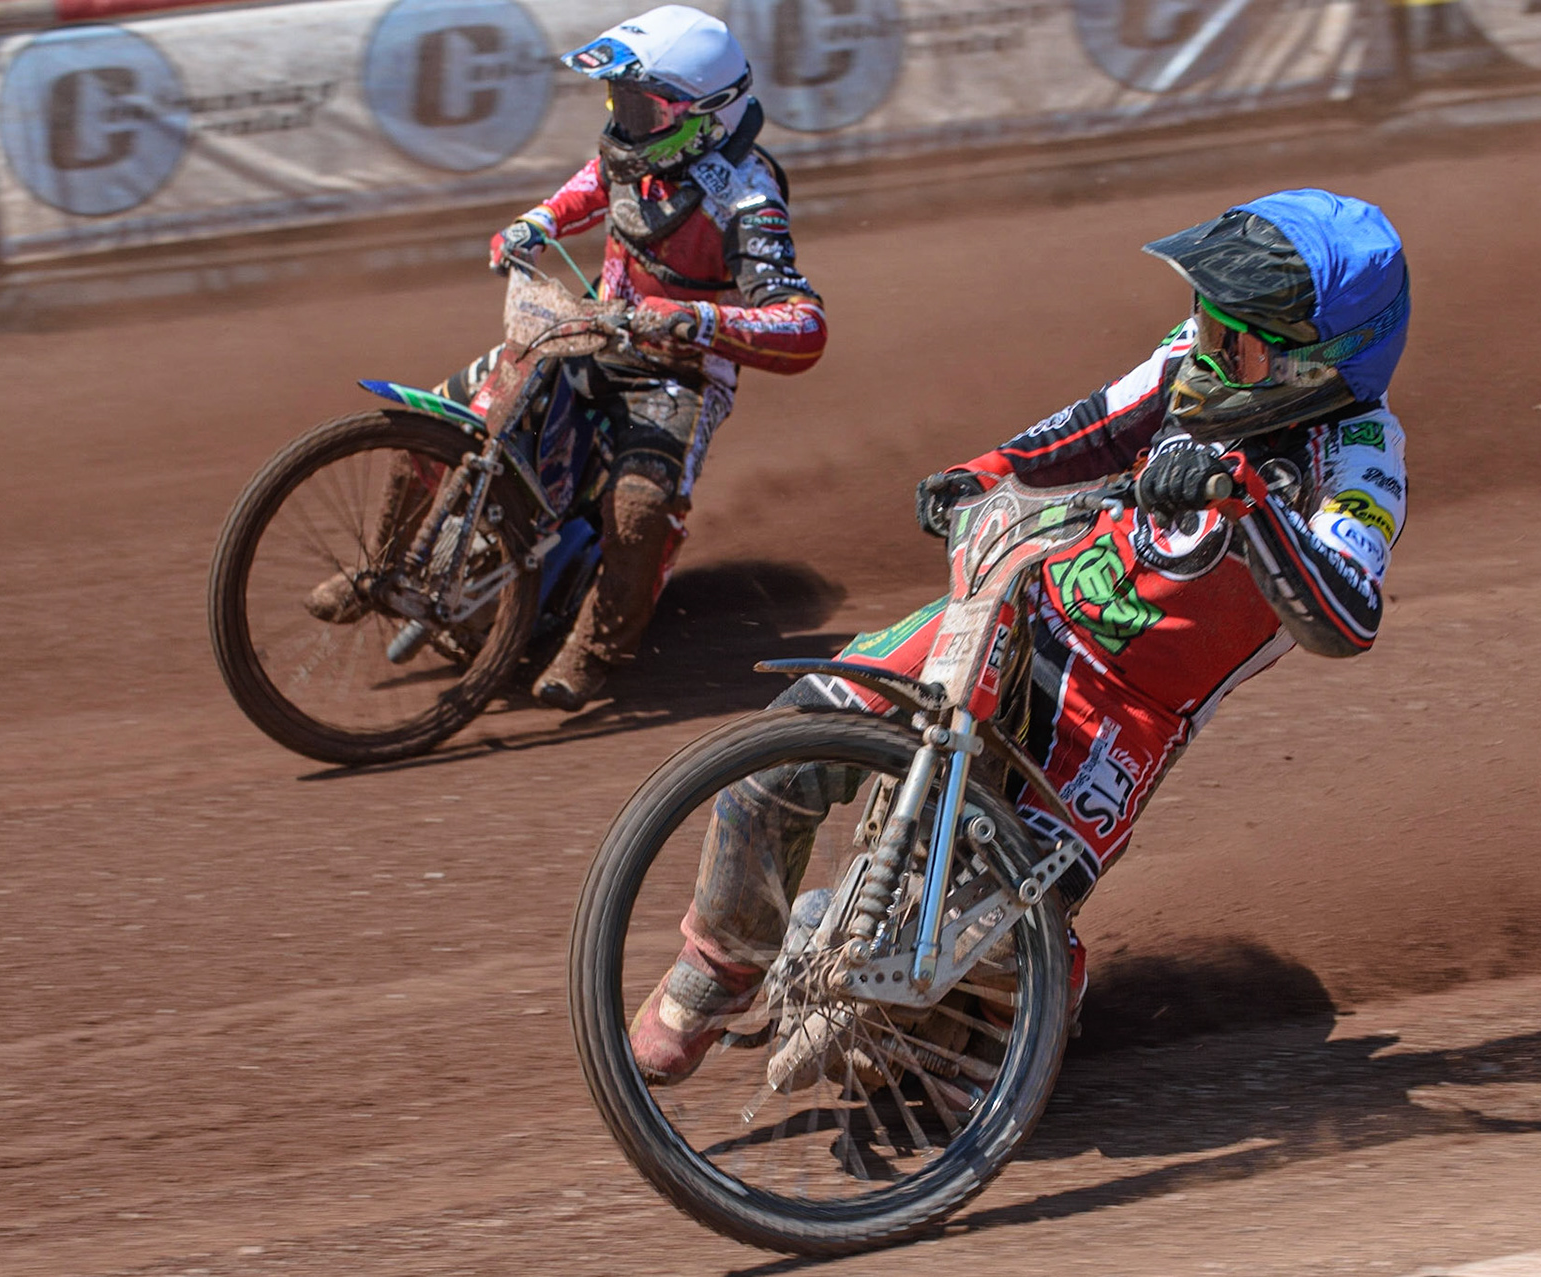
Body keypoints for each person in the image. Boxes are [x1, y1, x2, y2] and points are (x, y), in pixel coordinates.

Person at [628, 188, 1412, 1084]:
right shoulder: (1194, 361)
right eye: (1204, 310)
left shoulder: (1360, 455)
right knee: (782, 748)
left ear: (1323, 359)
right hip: (1023, 600)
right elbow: (1092, 425)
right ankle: (718, 967)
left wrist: (1252, 503)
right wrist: (986, 468)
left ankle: (1042, 997)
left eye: (1238, 332)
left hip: (1120, 712)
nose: (1205, 338)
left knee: (977, 957)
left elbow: (1348, 617)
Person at [306, 5, 827, 712]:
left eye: (642, 108)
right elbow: (597, 180)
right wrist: (540, 220)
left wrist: (692, 319)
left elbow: (803, 324)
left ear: (706, 115)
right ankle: (385, 569)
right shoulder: (639, 154)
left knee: (639, 507)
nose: (623, 121)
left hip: (677, 371)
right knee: (436, 423)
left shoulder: (750, 201)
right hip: (586, 327)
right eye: (621, 102)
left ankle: (595, 648)